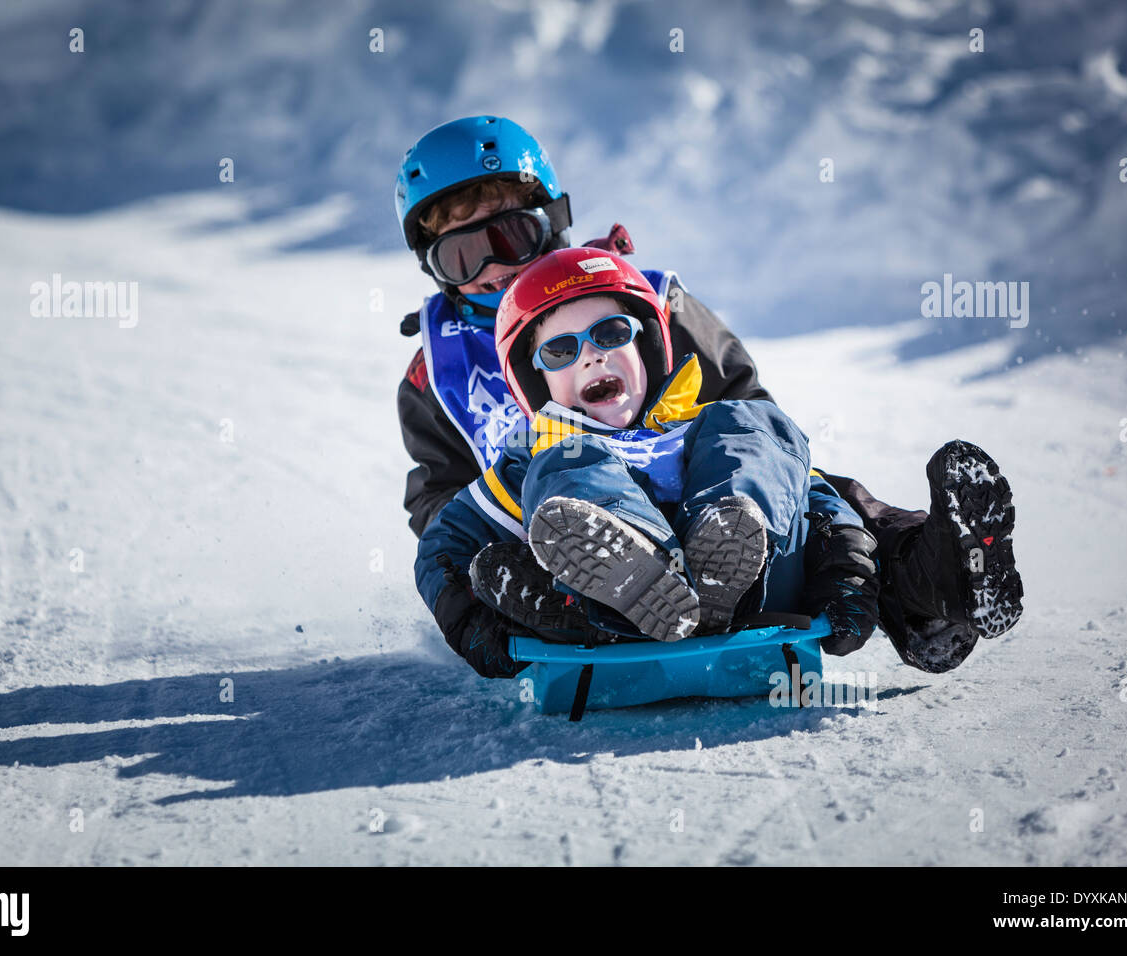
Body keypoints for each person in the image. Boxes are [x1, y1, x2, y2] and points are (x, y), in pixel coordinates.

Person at [395, 116, 1023, 677]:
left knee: (830, 497)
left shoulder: (645, 299)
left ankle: (934, 585)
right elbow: (442, 504)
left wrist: (820, 523)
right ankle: (614, 583)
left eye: (508, 237)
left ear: (552, 223)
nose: (494, 269)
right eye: (462, 255)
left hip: (718, 507)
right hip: (566, 535)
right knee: (519, 539)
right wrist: (472, 593)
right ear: (434, 267)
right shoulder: (435, 375)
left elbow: (750, 411)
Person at [415, 248, 879, 673]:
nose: (592, 357)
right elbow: (444, 545)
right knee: (569, 457)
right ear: (536, 382)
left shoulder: (700, 427)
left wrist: (845, 562)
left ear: (646, 346)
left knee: (751, 420)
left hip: (763, 587)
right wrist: (468, 619)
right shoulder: (539, 457)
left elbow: (812, 496)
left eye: (610, 333)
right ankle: (636, 564)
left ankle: (728, 532)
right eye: (560, 350)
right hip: (610, 620)